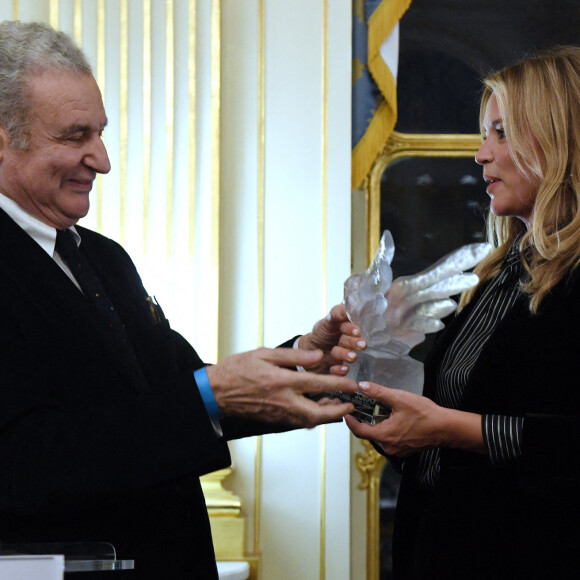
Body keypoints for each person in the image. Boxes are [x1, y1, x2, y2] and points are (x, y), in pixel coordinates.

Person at [0, 20, 359, 579]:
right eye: (74, 136)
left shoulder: (103, 257)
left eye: (101, 132)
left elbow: (171, 391)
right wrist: (206, 397)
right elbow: (23, 464)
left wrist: (302, 360)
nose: (102, 160)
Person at [345, 46, 580, 579]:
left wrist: (449, 429)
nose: (480, 155)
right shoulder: (496, 274)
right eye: (483, 134)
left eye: (501, 133)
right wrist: (373, 366)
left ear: (561, 138)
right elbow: (436, 437)